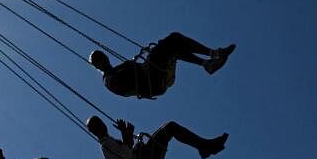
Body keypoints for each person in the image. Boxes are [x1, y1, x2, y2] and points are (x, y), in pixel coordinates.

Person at [89, 33, 236, 99]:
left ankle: (211, 58)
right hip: (151, 83)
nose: (104, 59)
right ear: (97, 65)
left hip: (154, 76)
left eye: (103, 56)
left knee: (173, 42)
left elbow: (137, 70)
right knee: (166, 46)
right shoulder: (109, 80)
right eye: (100, 60)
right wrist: (148, 60)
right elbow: (128, 85)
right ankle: (209, 60)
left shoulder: (117, 69)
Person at [86, 116, 227, 159]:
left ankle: (203, 147)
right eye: (99, 124)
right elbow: (128, 154)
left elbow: (127, 152)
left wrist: (127, 134)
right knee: (170, 127)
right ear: (95, 130)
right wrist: (126, 134)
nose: (103, 124)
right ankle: (203, 146)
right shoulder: (107, 146)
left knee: (169, 127)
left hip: (144, 157)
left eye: (101, 122)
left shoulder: (108, 143)